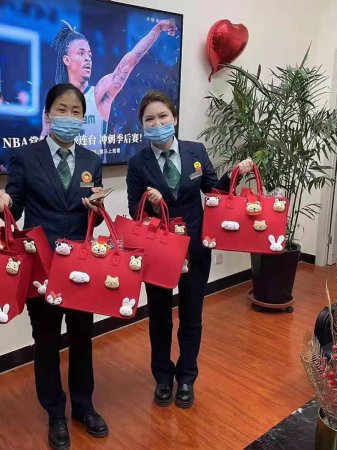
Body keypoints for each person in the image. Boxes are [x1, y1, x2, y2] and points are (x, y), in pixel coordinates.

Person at [0, 83, 107, 450]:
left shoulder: (91, 161)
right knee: (46, 340)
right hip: (42, 266)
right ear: (48, 115)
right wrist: (4, 202)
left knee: (83, 337)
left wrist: (97, 207)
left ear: (83, 118)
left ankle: (83, 407)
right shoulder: (27, 157)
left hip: (81, 266)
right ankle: (55, 412)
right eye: (62, 109)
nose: (69, 117)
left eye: (76, 111)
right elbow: (16, 205)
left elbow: (95, 214)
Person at [126, 90, 253, 409]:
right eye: (149, 119)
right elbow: (133, 211)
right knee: (159, 317)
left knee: (192, 314)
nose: (157, 124)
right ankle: (162, 378)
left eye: (162, 117)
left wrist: (235, 173)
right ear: (142, 125)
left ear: (175, 118)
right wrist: (150, 204)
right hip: (159, 250)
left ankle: (186, 377)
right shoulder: (138, 163)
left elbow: (214, 191)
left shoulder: (195, 151)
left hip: (195, 246)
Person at [42, 19, 177, 150]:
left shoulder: (99, 93)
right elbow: (43, 142)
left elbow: (132, 58)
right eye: (81, 53)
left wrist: (157, 29)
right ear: (67, 60)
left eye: (90, 55)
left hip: (93, 166)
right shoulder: (54, 103)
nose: (87, 58)